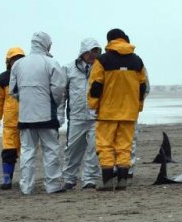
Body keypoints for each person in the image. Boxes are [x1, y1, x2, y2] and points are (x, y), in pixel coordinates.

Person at [88, 28, 148, 191]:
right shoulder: (137, 61)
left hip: (107, 113)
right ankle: (122, 180)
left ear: (109, 41)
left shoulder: (102, 60)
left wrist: (93, 106)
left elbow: (96, 86)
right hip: (129, 113)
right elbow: (142, 87)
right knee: (125, 146)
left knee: (105, 146)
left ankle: (107, 181)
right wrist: (138, 107)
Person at [9, 31, 67, 195]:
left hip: (26, 116)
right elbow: (59, 88)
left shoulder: (18, 65)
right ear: (46, 44)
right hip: (47, 114)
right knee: (51, 150)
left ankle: (26, 187)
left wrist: (25, 100)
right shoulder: (50, 62)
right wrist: (54, 103)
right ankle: (53, 185)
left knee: (27, 151)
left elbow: (13, 91)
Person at [62, 38, 102, 190]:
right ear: (83, 52)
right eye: (90, 51)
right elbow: (62, 93)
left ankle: (90, 180)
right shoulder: (68, 68)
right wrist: (59, 114)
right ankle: (69, 178)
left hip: (96, 116)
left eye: (96, 51)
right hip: (76, 116)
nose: (92, 55)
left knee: (94, 149)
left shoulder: (101, 68)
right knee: (72, 149)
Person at [0, 46, 25, 190]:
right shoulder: (3, 78)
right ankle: (7, 180)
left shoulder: (28, 76)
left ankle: (26, 179)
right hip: (10, 123)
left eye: (19, 58)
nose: (17, 61)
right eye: (14, 59)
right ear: (8, 61)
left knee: (26, 153)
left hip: (27, 120)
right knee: (8, 152)